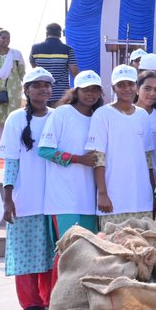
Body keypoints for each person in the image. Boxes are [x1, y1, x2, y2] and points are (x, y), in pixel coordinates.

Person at [0, 67, 57, 310]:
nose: (42, 89)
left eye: (46, 85)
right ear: (27, 90)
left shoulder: (58, 116)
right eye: (37, 85)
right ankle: (31, 302)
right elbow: (11, 160)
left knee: (51, 252)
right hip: (26, 196)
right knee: (26, 252)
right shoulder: (15, 119)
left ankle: (51, 299)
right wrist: (8, 197)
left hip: (55, 197)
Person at [36, 70, 103, 241]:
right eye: (86, 89)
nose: (91, 94)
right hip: (63, 198)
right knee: (68, 250)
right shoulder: (63, 113)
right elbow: (44, 150)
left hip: (89, 199)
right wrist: (78, 159)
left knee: (90, 250)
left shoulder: (99, 117)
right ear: (76, 92)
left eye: (95, 89)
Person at [88, 65, 154, 229]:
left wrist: (152, 192)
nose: (126, 89)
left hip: (142, 200)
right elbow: (98, 157)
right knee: (113, 251)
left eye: (130, 84)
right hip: (113, 200)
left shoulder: (143, 116)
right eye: (121, 85)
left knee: (142, 250)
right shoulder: (102, 114)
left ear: (136, 87)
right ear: (113, 88)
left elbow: (147, 159)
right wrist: (102, 193)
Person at [29, 23, 79, 107]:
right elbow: (74, 71)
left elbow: (33, 66)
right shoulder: (68, 49)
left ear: (46, 33)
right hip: (61, 95)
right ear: (60, 34)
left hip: (41, 93)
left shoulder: (35, 48)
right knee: (60, 119)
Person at [135, 70, 156, 174]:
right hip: (131, 177)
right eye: (147, 88)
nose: (152, 93)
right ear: (137, 89)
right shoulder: (124, 115)